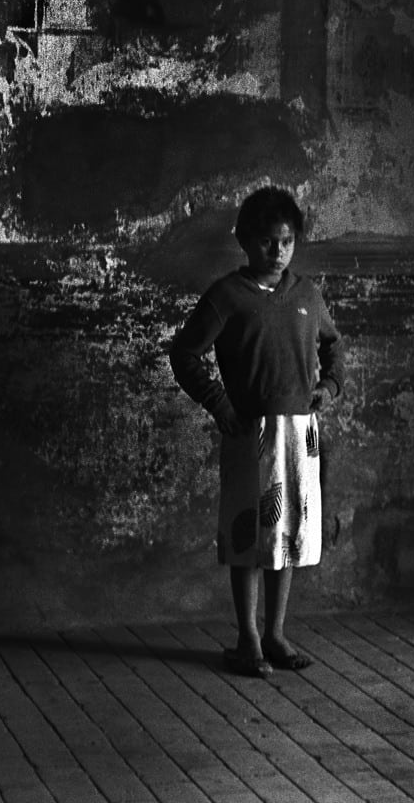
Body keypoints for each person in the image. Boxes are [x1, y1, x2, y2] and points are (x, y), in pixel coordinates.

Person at [168, 186, 343, 678]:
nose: (278, 250)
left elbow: (334, 348)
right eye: (267, 241)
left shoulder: (307, 294)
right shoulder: (227, 295)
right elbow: (184, 354)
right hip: (251, 433)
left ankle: (276, 634)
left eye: (287, 241)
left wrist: (327, 388)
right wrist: (219, 405)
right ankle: (247, 638)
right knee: (249, 536)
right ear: (244, 241)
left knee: (287, 535)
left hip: (299, 434)